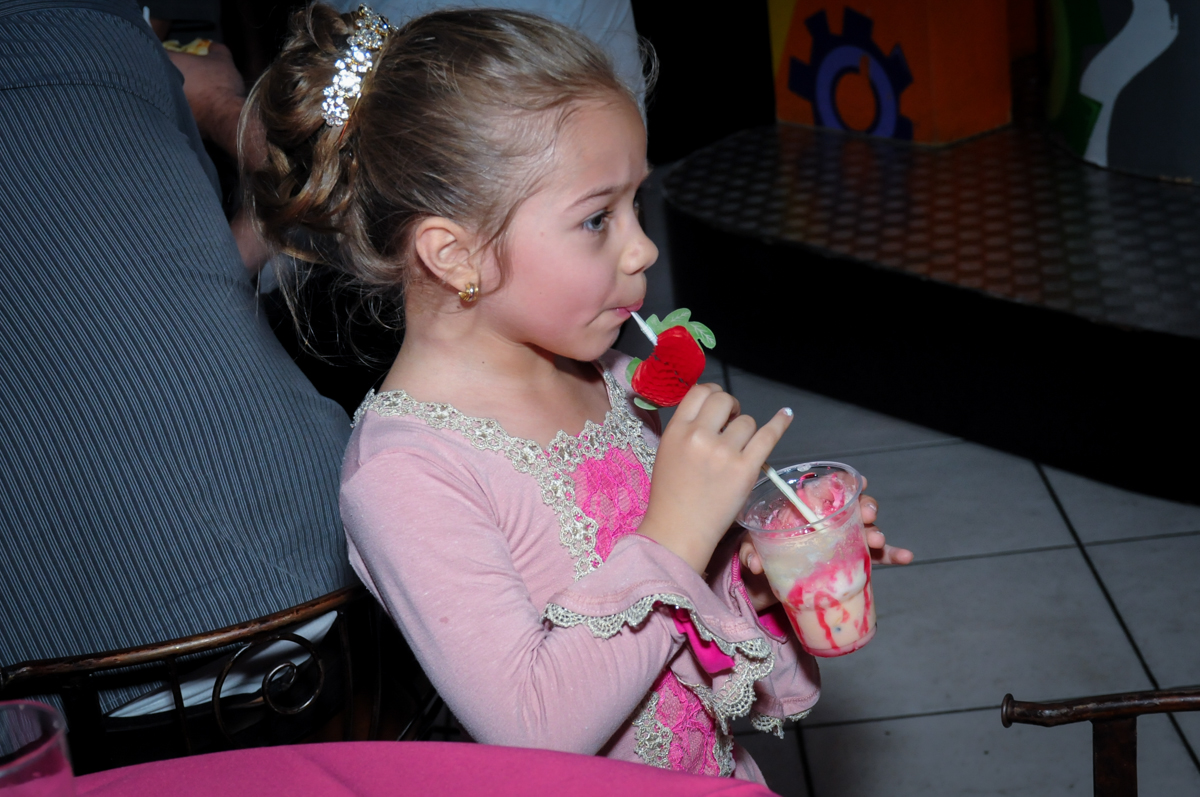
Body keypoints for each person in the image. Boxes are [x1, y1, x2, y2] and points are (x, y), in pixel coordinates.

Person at [244, 5, 910, 781]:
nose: (645, 246)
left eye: (635, 203)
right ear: (455, 254)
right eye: (598, 218)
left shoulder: (611, 381)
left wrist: (754, 578)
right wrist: (677, 537)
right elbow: (536, 727)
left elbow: (677, 648)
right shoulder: (405, 474)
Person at [0, 0, 352, 698]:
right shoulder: (107, 43)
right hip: (302, 586)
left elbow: (157, 276)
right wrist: (222, 102)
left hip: (42, 674)